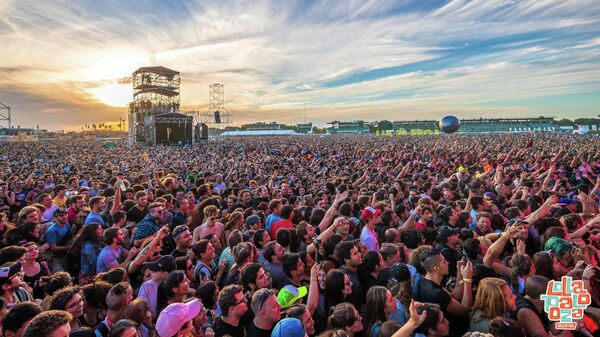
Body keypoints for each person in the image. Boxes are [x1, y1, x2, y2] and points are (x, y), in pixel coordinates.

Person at [413, 249, 472, 337]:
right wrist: (467, 279)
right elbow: (464, 309)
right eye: (444, 262)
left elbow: (454, 297)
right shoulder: (437, 293)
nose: (447, 263)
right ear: (436, 268)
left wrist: (460, 274)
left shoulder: (424, 280)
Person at [45, 207, 73, 272]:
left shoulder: (67, 224)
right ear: (55, 217)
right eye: (61, 215)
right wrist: (68, 247)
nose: (65, 217)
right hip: (57, 258)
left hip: (66, 255)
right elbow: (53, 248)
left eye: (66, 214)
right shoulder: (52, 230)